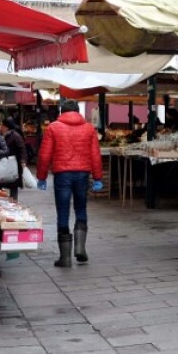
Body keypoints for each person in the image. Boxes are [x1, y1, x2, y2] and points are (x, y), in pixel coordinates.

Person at [36, 100, 104, 268]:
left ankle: (65, 258)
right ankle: (80, 248)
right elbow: (95, 155)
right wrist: (97, 178)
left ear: (62, 111)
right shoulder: (89, 128)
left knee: (63, 211)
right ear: (78, 111)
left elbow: (44, 155)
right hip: (82, 174)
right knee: (81, 208)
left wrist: (42, 177)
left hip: (62, 175)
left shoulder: (53, 127)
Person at [0, 117, 28, 200]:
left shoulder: (15, 136)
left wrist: (23, 161)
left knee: (13, 186)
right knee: (1, 184)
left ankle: (14, 203)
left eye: (2, 125)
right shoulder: (2, 136)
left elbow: (22, 149)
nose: (0, 127)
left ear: (6, 127)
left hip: (13, 165)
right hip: (4, 164)